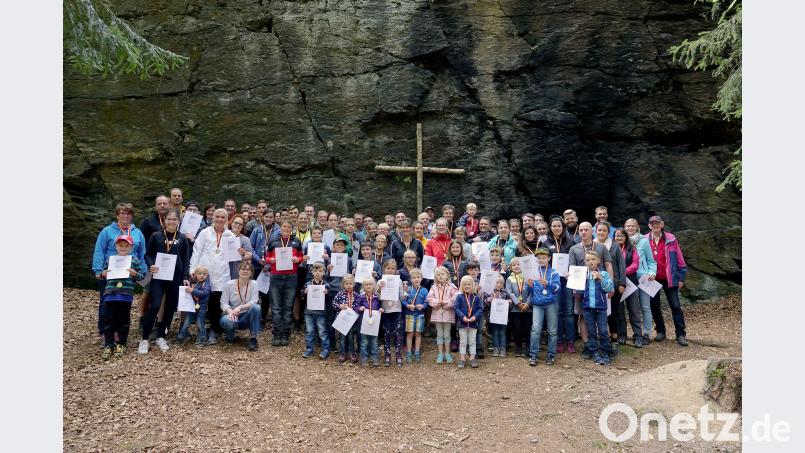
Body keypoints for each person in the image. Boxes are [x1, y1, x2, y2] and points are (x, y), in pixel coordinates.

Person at [92, 202, 146, 338]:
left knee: (123, 303)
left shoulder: (137, 233)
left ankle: (118, 331)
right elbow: (99, 251)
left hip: (128, 275)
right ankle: (104, 331)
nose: (126, 216)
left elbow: (142, 253)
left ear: (132, 216)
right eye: (123, 213)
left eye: (129, 213)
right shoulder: (107, 231)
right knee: (106, 302)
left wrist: (142, 271)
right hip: (109, 273)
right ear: (117, 215)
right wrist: (98, 270)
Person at [140, 208, 190, 354]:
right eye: (169, 219)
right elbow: (148, 255)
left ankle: (161, 336)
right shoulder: (156, 235)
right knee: (155, 305)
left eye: (174, 219)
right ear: (164, 220)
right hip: (159, 276)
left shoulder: (182, 238)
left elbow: (186, 259)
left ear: (179, 221)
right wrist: (151, 265)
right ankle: (144, 339)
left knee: (170, 307)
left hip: (175, 277)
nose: (171, 222)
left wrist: (185, 277)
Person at [190, 208, 236, 345]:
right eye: (217, 216)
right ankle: (201, 331)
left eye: (223, 217)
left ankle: (213, 331)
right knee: (203, 304)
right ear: (213, 218)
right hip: (205, 274)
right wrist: (193, 269)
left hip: (222, 274)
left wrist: (239, 252)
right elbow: (196, 251)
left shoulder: (230, 235)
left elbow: (234, 257)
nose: (220, 219)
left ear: (227, 220)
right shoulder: (205, 232)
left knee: (216, 305)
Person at [568, 222, 614, 351]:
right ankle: (587, 344)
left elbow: (608, 265)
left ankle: (604, 345)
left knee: (602, 315)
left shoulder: (601, 247)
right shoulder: (574, 249)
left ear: (592, 231)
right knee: (583, 316)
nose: (583, 232)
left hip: (600, 287)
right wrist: (574, 289)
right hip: (581, 288)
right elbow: (572, 268)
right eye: (581, 230)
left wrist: (611, 285)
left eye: (586, 230)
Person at [98, 235, 145, 360]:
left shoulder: (134, 260)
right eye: (120, 245)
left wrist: (135, 273)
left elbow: (141, 276)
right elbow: (102, 273)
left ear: (131, 247)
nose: (123, 247)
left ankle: (121, 343)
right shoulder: (110, 259)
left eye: (126, 245)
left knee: (123, 320)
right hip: (110, 294)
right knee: (109, 320)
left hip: (125, 295)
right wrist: (103, 274)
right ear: (116, 246)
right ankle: (109, 344)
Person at [645, 216, 689, 346]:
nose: (655, 225)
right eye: (653, 223)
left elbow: (680, 259)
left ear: (662, 224)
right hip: (652, 278)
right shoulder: (644, 239)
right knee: (654, 305)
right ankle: (661, 331)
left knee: (675, 305)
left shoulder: (671, 239)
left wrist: (681, 278)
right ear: (649, 225)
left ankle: (680, 334)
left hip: (669, 277)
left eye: (657, 223)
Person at [266, 220, 304, 346]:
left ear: (291, 229)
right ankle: (276, 333)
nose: (286, 228)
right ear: (280, 228)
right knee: (276, 307)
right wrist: (270, 260)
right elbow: (267, 257)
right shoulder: (273, 241)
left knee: (288, 307)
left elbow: (301, 257)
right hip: (276, 276)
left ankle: (285, 333)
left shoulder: (296, 241)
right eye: (284, 226)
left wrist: (297, 259)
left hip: (291, 277)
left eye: (288, 227)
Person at [624, 218, 657, 347]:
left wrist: (652, 272)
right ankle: (634, 333)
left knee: (645, 307)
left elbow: (651, 261)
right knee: (632, 308)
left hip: (643, 277)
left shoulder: (644, 241)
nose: (630, 228)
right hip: (628, 277)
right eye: (628, 226)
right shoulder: (622, 241)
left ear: (637, 227)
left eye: (632, 226)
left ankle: (647, 333)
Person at [578, 251, 615, 365]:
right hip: (588, 308)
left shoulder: (604, 274)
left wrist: (601, 278)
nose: (590, 262)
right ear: (585, 262)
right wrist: (571, 280)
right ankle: (594, 352)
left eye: (593, 259)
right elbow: (578, 291)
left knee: (603, 331)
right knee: (591, 331)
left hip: (601, 308)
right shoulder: (582, 275)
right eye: (588, 260)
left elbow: (609, 288)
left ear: (598, 261)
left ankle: (606, 352)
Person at [526, 249, 561, 366]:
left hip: (551, 304)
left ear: (549, 258)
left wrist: (547, 283)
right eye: (539, 258)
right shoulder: (533, 272)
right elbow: (529, 290)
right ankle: (533, 355)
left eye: (544, 258)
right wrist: (530, 285)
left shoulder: (554, 272)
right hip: (537, 304)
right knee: (535, 329)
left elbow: (558, 288)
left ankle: (551, 355)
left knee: (552, 330)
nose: (541, 260)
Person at [219, 261, 262, 351]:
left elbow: (254, 301)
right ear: (238, 271)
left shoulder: (254, 284)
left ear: (251, 273)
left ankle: (253, 338)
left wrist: (240, 307)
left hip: (246, 316)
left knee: (256, 307)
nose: (245, 271)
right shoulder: (229, 284)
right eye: (243, 269)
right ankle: (230, 336)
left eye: (248, 270)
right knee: (228, 321)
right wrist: (230, 311)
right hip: (231, 315)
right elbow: (223, 302)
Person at [613, 228, 643, 347]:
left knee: (634, 310)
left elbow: (636, 264)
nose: (619, 238)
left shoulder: (632, 248)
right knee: (619, 311)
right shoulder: (611, 249)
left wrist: (622, 272)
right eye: (617, 236)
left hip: (631, 283)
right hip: (617, 284)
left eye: (621, 236)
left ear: (626, 237)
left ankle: (638, 336)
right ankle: (622, 335)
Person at [378, 259, 406, 367]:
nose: (390, 270)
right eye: (388, 268)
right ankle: (387, 355)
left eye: (392, 268)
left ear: (395, 270)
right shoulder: (380, 281)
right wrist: (379, 288)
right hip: (385, 310)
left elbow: (401, 297)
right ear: (384, 269)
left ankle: (398, 355)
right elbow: (377, 297)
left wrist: (404, 294)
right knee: (387, 332)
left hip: (396, 310)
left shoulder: (399, 281)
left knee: (397, 332)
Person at [427, 266, 457, 364]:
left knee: (447, 334)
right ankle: (440, 353)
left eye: (442, 274)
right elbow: (429, 298)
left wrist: (445, 302)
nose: (440, 276)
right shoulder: (433, 287)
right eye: (438, 275)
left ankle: (447, 353)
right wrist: (437, 302)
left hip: (448, 314)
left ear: (447, 275)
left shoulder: (452, 287)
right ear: (436, 277)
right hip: (437, 314)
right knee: (439, 334)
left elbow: (455, 298)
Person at [175, 266, 212, 346]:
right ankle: (181, 337)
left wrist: (193, 290)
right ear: (195, 275)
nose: (202, 275)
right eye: (200, 273)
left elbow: (204, 293)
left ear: (207, 275)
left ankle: (202, 339)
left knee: (200, 323)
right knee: (186, 322)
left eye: (204, 274)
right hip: (191, 308)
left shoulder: (207, 285)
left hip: (201, 308)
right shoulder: (193, 284)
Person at [454, 276, 483, 369]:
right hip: (462, 324)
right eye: (465, 284)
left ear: (473, 285)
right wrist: (463, 317)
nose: (467, 286)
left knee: (472, 341)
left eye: (469, 284)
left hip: (473, 324)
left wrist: (475, 317)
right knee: (463, 342)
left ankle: (472, 359)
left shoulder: (476, 297)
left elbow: (480, 309)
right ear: (462, 286)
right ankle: (462, 359)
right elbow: (456, 308)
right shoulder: (459, 297)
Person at [302, 262, 331, 359]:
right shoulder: (308, 284)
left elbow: (330, 298)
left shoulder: (326, 285)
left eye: (320, 271)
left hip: (321, 313)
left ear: (324, 273)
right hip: (309, 312)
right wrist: (304, 292)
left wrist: (327, 293)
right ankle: (309, 348)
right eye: (316, 271)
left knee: (322, 331)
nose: (318, 273)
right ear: (312, 272)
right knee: (309, 331)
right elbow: (302, 296)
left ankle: (325, 349)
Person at [505, 257, 530, 358]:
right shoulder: (509, 279)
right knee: (516, 328)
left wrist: (527, 303)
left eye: (518, 264)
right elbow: (509, 292)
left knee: (528, 328)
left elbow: (532, 292)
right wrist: (518, 303)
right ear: (510, 267)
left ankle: (527, 347)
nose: (516, 266)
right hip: (515, 309)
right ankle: (518, 347)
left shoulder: (528, 277)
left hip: (528, 308)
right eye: (514, 265)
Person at [402, 268, 428, 363]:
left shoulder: (424, 290)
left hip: (420, 315)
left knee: (418, 334)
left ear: (421, 278)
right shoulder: (407, 289)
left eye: (418, 277)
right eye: (414, 277)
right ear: (410, 279)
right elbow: (403, 300)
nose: (416, 279)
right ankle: (409, 353)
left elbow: (427, 303)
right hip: (409, 315)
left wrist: (423, 306)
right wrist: (408, 306)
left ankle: (417, 352)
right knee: (410, 334)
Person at [356, 277, 382, 366]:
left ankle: (375, 357)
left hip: (374, 323)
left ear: (374, 285)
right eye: (366, 284)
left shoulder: (377, 297)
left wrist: (381, 309)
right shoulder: (361, 297)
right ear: (363, 286)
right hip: (364, 323)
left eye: (370, 284)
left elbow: (379, 307)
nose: (368, 286)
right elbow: (355, 307)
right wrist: (359, 308)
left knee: (374, 341)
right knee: (364, 341)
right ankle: (364, 357)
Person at [332, 274, 358, 363]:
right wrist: (340, 306)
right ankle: (342, 353)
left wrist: (355, 309)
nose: (349, 285)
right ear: (343, 285)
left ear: (354, 284)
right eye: (346, 284)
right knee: (342, 338)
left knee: (351, 337)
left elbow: (358, 305)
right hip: (342, 320)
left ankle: (351, 353)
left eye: (350, 283)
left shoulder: (356, 295)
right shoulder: (340, 294)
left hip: (351, 320)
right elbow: (334, 303)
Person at [484, 275, 511, 357]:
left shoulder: (506, 293)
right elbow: (485, 302)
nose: (499, 284)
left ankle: (502, 348)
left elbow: (510, 304)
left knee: (503, 332)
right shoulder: (489, 292)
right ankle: (496, 348)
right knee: (495, 332)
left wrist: (509, 302)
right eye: (497, 282)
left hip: (503, 318)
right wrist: (489, 300)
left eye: (501, 283)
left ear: (503, 284)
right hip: (493, 317)